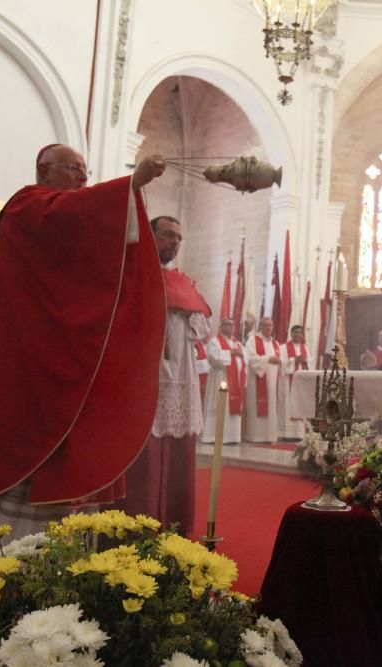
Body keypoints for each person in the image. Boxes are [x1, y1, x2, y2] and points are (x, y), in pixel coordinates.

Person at [0, 144, 167, 541]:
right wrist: (130, 183)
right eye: (73, 170)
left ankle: (71, 561)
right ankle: (13, 557)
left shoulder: (71, 217)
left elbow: (96, 258)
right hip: (30, 355)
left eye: (85, 171)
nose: (84, 178)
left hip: (70, 350)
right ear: (44, 170)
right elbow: (70, 218)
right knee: (32, 443)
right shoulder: (24, 207)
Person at [117, 215, 210, 535]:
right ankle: (134, 528)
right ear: (150, 236)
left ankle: (173, 526)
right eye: (168, 235)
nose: (175, 242)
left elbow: (201, 328)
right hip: (144, 376)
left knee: (176, 454)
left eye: (178, 238)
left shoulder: (183, 281)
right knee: (144, 456)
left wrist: (184, 307)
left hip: (179, 376)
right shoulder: (131, 273)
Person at [202, 318, 246, 445]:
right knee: (219, 405)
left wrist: (241, 355)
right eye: (228, 325)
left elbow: (245, 357)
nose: (231, 327)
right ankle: (212, 436)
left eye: (232, 325)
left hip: (235, 382)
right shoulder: (214, 342)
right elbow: (213, 358)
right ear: (221, 327)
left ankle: (232, 436)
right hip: (220, 378)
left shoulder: (237, 343)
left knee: (231, 407)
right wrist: (231, 353)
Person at [245, 317, 282, 443]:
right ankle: (255, 436)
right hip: (257, 381)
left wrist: (280, 362)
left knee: (271, 408)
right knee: (256, 407)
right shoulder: (253, 340)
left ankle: (269, 436)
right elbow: (250, 358)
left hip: (272, 383)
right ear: (260, 326)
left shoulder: (275, 344)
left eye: (271, 325)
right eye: (266, 325)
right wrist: (268, 360)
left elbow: (281, 361)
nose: (268, 328)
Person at [278, 324, 312, 440]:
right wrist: (294, 361)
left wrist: (305, 361)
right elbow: (281, 363)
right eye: (296, 332)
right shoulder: (283, 347)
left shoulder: (305, 348)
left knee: (300, 404)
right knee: (287, 405)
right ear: (291, 334)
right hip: (288, 382)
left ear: (302, 335)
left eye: (300, 333)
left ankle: (299, 434)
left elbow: (310, 363)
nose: (298, 335)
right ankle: (286, 434)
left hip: (300, 384)